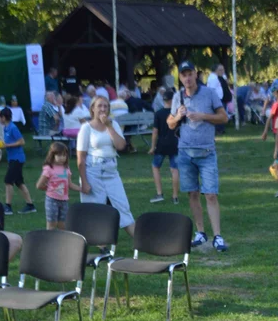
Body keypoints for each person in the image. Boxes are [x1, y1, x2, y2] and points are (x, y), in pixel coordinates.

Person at [168, 61, 228, 252]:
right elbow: (170, 123)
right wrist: (177, 117)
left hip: (206, 152)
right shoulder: (178, 96)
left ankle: (218, 236)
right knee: (193, 193)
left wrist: (203, 116)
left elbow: (223, 117)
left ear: (196, 74)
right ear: (180, 78)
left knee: (210, 194)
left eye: (190, 74)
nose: (187, 78)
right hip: (185, 153)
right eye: (183, 75)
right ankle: (201, 232)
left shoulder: (209, 93)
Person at [76, 96, 135, 234]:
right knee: (95, 209)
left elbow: (121, 146)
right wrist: (84, 182)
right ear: (92, 109)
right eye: (99, 106)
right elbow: (80, 158)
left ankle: (140, 240)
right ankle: (101, 245)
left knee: (122, 205)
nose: (103, 109)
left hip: (111, 171)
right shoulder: (86, 128)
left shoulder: (113, 125)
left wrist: (108, 126)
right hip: (93, 170)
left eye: (105, 106)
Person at [0, 108, 37, 215]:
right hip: (12, 158)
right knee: (19, 182)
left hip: (17, 158)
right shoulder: (6, 128)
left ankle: (8, 207)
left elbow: (22, 141)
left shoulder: (13, 128)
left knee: (8, 181)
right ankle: (30, 205)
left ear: (4, 117)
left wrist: (7, 145)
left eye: (0, 117)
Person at [35, 143, 81, 231]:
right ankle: (50, 242)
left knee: (63, 225)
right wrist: (50, 190)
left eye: (64, 155)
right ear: (52, 155)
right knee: (52, 225)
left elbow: (70, 184)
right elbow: (39, 185)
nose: (62, 158)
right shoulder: (49, 169)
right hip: (52, 200)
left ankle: (62, 243)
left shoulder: (66, 168)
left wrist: (81, 189)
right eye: (59, 155)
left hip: (64, 201)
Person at [148, 89, 180, 205]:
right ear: (173, 100)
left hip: (162, 144)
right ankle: (175, 196)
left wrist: (152, 146)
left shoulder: (159, 113)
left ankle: (159, 193)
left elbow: (155, 132)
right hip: (175, 144)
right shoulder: (176, 114)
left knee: (155, 166)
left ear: (164, 100)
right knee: (174, 170)